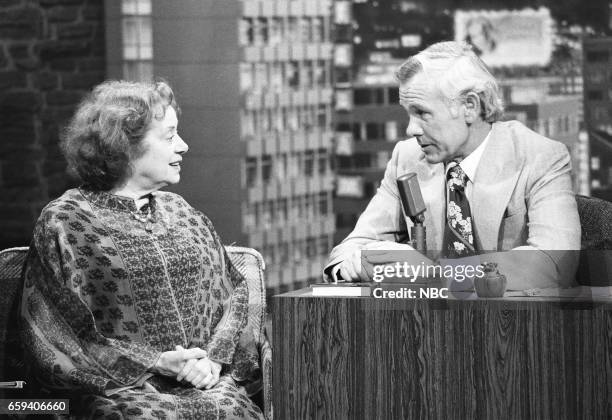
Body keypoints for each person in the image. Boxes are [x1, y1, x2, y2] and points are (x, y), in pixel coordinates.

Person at [20, 80, 264, 419]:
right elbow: (54, 330)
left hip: (209, 384)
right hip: (120, 391)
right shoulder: (66, 221)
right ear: (124, 147)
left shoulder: (183, 212)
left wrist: (212, 359)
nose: (183, 146)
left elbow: (234, 292)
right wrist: (154, 362)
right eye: (169, 136)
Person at [325, 41, 581, 290]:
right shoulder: (407, 158)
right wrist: (358, 262)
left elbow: (553, 264)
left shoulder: (540, 157)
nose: (410, 129)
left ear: (469, 106)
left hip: (511, 325)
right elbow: (349, 249)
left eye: (422, 113)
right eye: (408, 114)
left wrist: (435, 273)